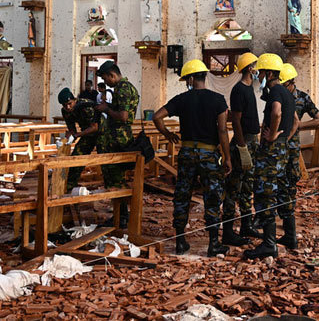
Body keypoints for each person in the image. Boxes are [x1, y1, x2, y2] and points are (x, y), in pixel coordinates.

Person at [153, 59, 232, 257]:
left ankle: (180, 241)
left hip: (187, 153)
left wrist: (167, 134)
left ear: (190, 78)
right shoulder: (218, 100)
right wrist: (227, 157)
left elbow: (156, 117)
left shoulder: (181, 99)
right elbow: (222, 130)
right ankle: (213, 244)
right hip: (209, 154)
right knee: (212, 197)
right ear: (204, 76)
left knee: (182, 196)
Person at [243, 53, 299, 260]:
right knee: (283, 192)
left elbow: (275, 113)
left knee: (265, 194)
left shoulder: (275, 91)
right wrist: (285, 137)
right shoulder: (288, 93)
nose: (258, 76)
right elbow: (295, 121)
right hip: (283, 150)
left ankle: (268, 245)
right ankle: (290, 237)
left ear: (268, 72)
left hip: (271, 151)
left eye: (260, 72)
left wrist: (274, 134)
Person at [276, 63, 319, 250]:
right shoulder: (278, 94)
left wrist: (298, 126)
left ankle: (289, 229)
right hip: (278, 145)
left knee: (289, 185)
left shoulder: (302, 98)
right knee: (277, 186)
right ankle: (282, 227)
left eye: (284, 84)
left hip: (292, 147)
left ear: (291, 82)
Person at [222, 52, 261, 245]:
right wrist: (241, 146)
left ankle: (247, 225)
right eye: (255, 65)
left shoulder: (250, 89)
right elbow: (236, 120)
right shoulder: (239, 90)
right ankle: (228, 231)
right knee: (234, 187)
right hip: (243, 142)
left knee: (247, 186)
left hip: (252, 140)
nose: (257, 69)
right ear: (249, 68)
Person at [95, 61, 139, 228]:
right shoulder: (126, 87)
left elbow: (123, 116)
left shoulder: (123, 88)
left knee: (115, 178)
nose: (106, 83)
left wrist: (106, 109)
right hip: (117, 138)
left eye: (106, 79)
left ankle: (120, 218)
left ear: (112, 75)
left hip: (118, 139)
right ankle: (121, 216)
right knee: (116, 178)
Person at [58, 88, 100, 190]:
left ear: (74, 100)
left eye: (69, 103)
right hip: (86, 133)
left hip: (102, 133)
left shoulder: (85, 106)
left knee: (107, 160)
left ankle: (112, 187)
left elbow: (95, 127)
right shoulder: (65, 111)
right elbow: (71, 129)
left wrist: (77, 135)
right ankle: (69, 186)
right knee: (76, 158)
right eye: (65, 105)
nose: (68, 107)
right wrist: (65, 140)